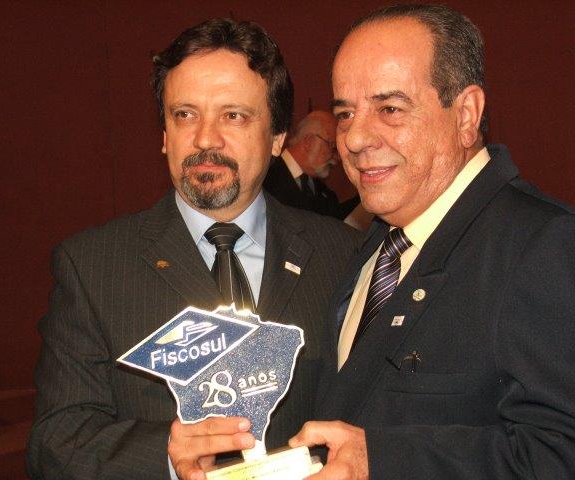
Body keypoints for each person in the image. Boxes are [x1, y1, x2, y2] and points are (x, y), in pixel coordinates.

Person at [170, 4, 575, 480]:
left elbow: (560, 454)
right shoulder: (373, 246)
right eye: (345, 113)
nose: (356, 138)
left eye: (390, 109)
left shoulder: (543, 246)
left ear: (466, 114)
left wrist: (381, 461)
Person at [26, 18, 361, 479]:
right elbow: (54, 444)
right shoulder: (91, 268)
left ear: (278, 137)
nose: (205, 139)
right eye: (185, 114)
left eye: (233, 116)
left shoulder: (344, 255)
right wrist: (165, 455)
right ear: (165, 135)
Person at [263, 110, 343, 218]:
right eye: (333, 147)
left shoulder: (327, 196)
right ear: (308, 141)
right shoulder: (264, 179)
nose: (338, 157)